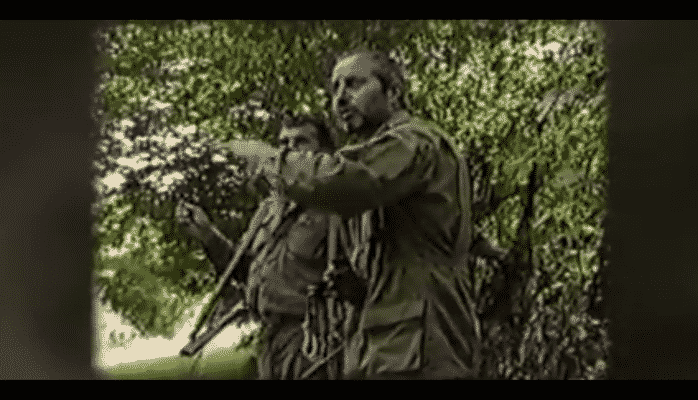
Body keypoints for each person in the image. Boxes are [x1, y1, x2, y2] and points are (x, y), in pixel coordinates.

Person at [223, 49, 482, 379]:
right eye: (335, 88)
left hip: (422, 349)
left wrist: (270, 160)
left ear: (393, 92)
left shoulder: (412, 142)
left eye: (355, 84)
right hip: (392, 349)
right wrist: (355, 287)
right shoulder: (385, 161)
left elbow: (342, 181)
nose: (341, 98)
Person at [177, 114, 343, 380]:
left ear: (323, 153)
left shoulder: (337, 209)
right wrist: (208, 235)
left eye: (300, 142)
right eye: (283, 143)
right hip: (269, 340)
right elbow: (247, 272)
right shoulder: (268, 210)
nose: (288, 150)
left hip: (315, 341)